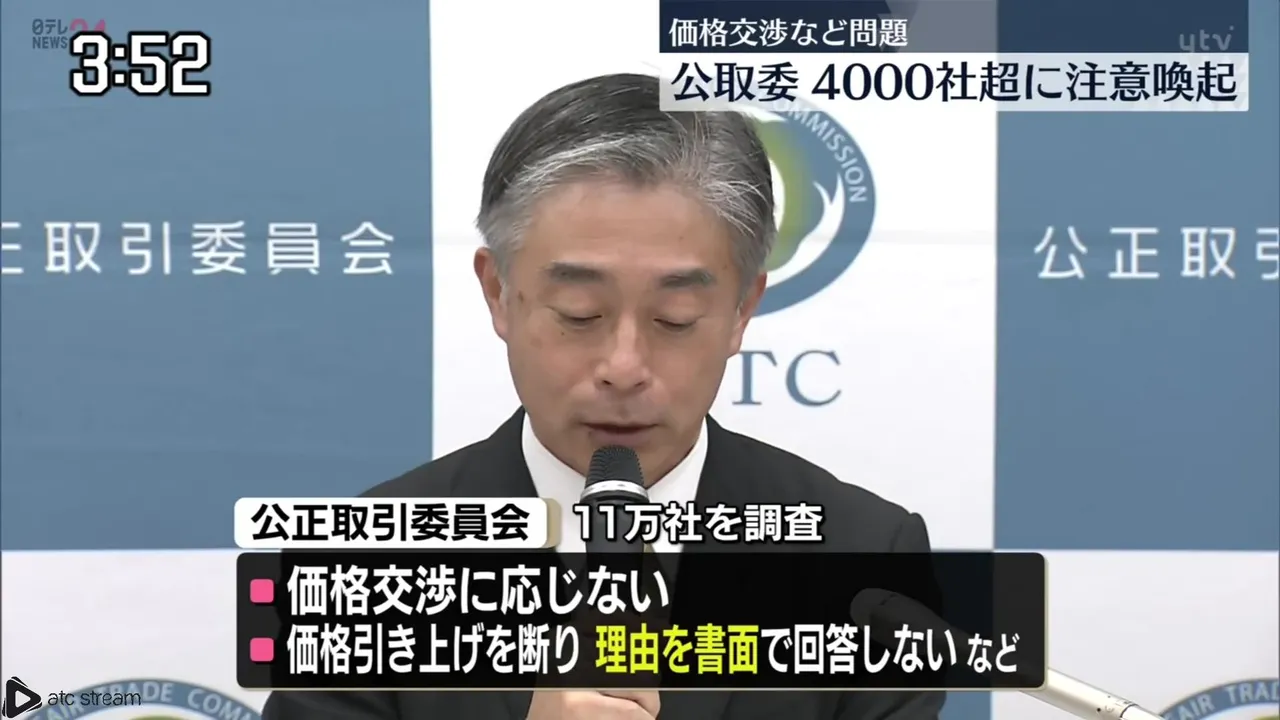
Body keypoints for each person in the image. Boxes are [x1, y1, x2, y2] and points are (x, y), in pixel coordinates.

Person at [263, 72, 942, 720]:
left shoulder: (866, 559)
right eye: (580, 313)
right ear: (498, 293)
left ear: (742, 310)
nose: (624, 367)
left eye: (674, 319)